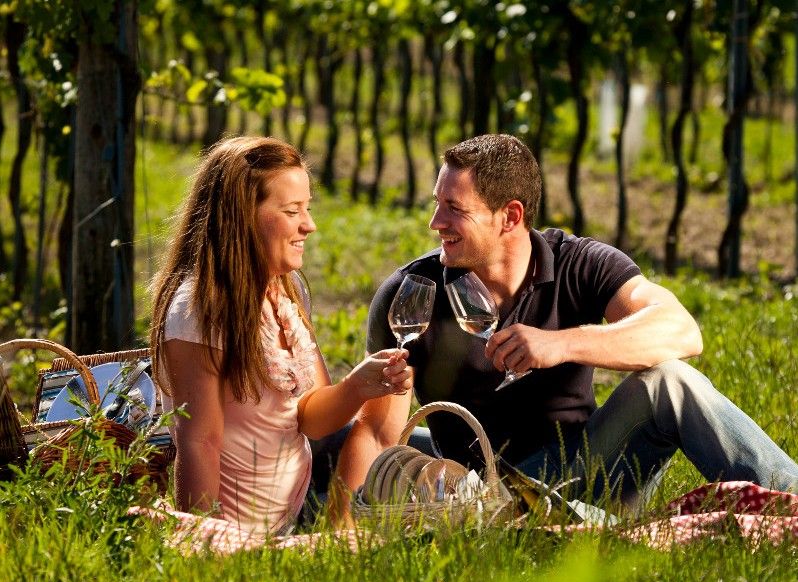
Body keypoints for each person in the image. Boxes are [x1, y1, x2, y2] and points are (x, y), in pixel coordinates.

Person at [334, 133, 798, 511]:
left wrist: (561, 343)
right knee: (337, 439)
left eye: (455, 208)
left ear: (510, 216)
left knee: (670, 382)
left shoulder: (578, 262)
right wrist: (346, 528)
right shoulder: (412, 294)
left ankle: (789, 500)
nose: (436, 222)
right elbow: (379, 434)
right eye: (437, 204)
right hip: (484, 496)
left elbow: (681, 329)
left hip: (587, 468)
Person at [149, 136, 411, 535]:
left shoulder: (285, 288)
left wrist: (358, 386)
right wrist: (203, 541)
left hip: (295, 507)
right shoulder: (199, 308)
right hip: (240, 526)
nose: (310, 224)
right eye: (292, 211)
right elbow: (198, 442)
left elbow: (309, 418)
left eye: (307, 208)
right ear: (241, 217)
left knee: (423, 476)